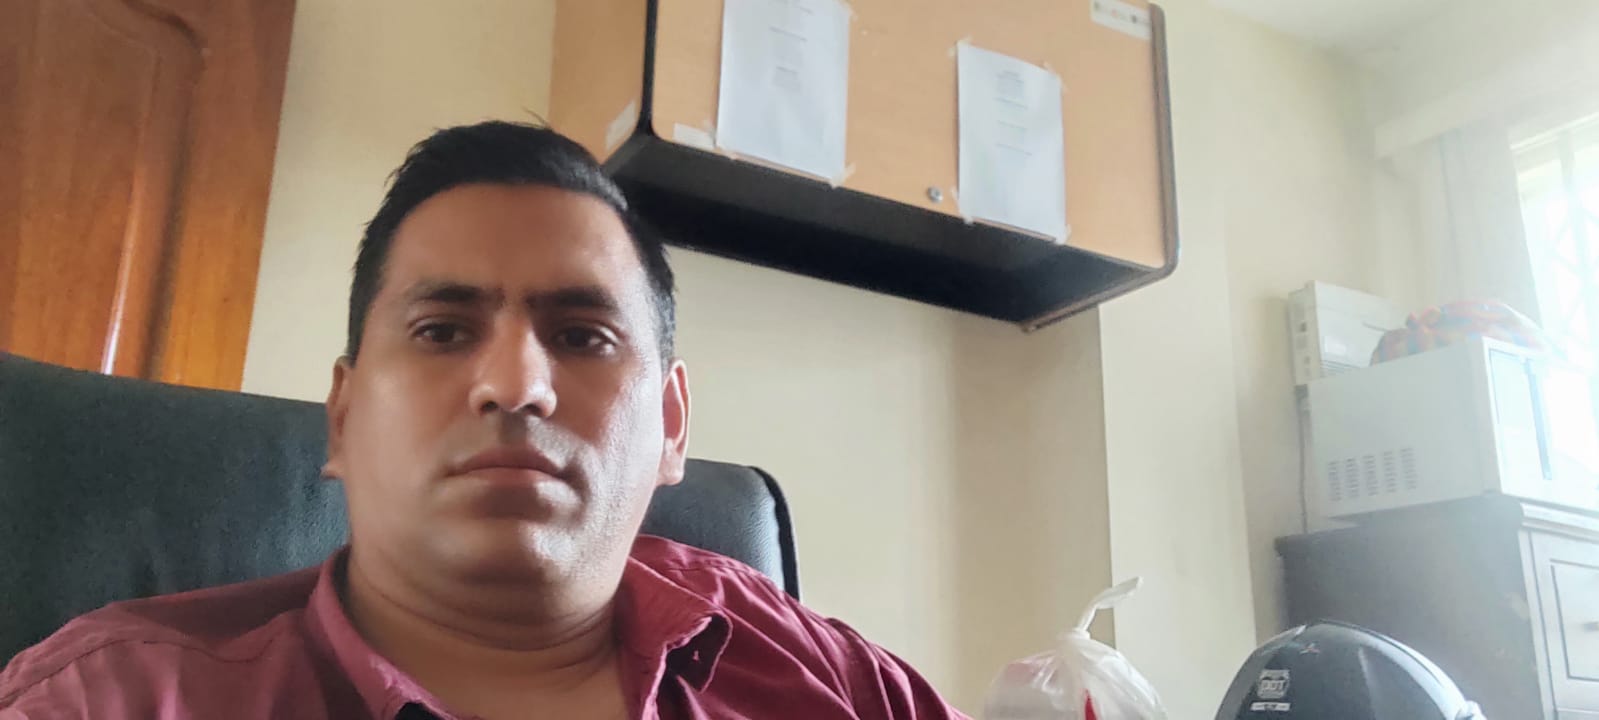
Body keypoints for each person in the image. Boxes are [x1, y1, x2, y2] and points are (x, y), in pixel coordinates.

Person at [0, 122, 966, 719]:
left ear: (671, 423)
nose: (515, 386)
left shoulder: (799, 657)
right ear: (343, 419)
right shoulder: (113, 701)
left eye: (582, 336)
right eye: (442, 331)